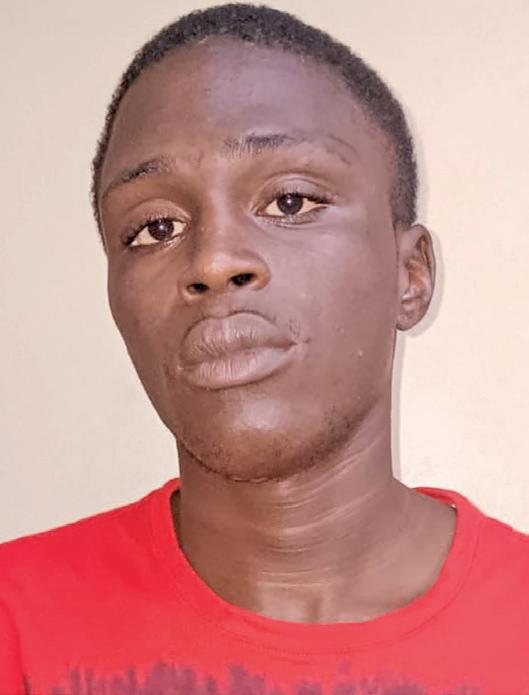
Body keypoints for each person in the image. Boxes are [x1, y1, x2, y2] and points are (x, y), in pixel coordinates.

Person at [1, 3, 528, 694]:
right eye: (156, 227)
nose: (214, 260)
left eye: (290, 202)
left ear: (410, 276)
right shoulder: (16, 623)